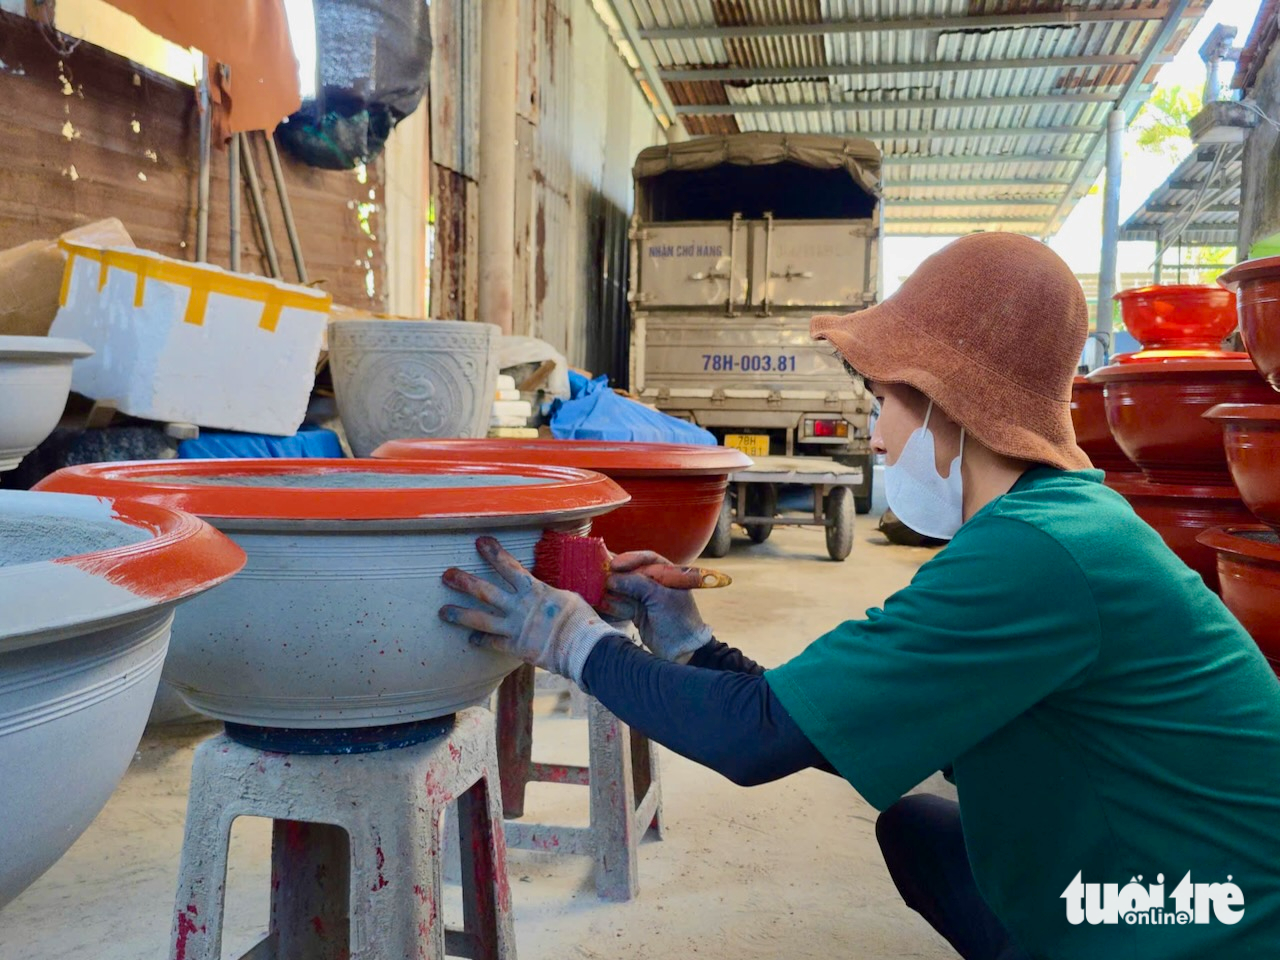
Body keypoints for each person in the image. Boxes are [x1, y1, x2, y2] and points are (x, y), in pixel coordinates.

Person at [439, 233, 1280, 959]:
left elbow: (755, 743)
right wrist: (689, 641)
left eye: (883, 402)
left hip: (1213, 920)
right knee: (920, 832)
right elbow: (822, 726)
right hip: (1163, 873)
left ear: (950, 402)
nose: (875, 435)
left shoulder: (1040, 553)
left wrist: (572, 642)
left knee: (943, 844)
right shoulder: (1051, 525)